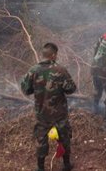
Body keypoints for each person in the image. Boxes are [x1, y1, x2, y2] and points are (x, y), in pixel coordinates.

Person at [21, 42, 77, 171]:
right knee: (64, 137)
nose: (56, 57)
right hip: (59, 113)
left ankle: (40, 168)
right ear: (53, 55)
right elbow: (71, 89)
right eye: (56, 55)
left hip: (42, 114)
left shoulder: (33, 70)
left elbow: (26, 90)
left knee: (41, 140)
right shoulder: (61, 70)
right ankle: (66, 165)